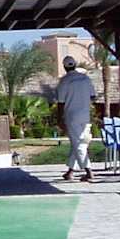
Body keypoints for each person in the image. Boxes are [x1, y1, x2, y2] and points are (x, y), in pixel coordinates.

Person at [52, 55, 95, 183]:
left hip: (72, 116)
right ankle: (70, 171)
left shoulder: (64, 81)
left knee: (78, 143)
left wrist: (59, 119)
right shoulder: (85, 79)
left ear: (64, 67)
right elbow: (93, 96)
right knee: (78, 143)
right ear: (75, 65)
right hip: (85, 115)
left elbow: (61, 103)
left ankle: (89, 171)